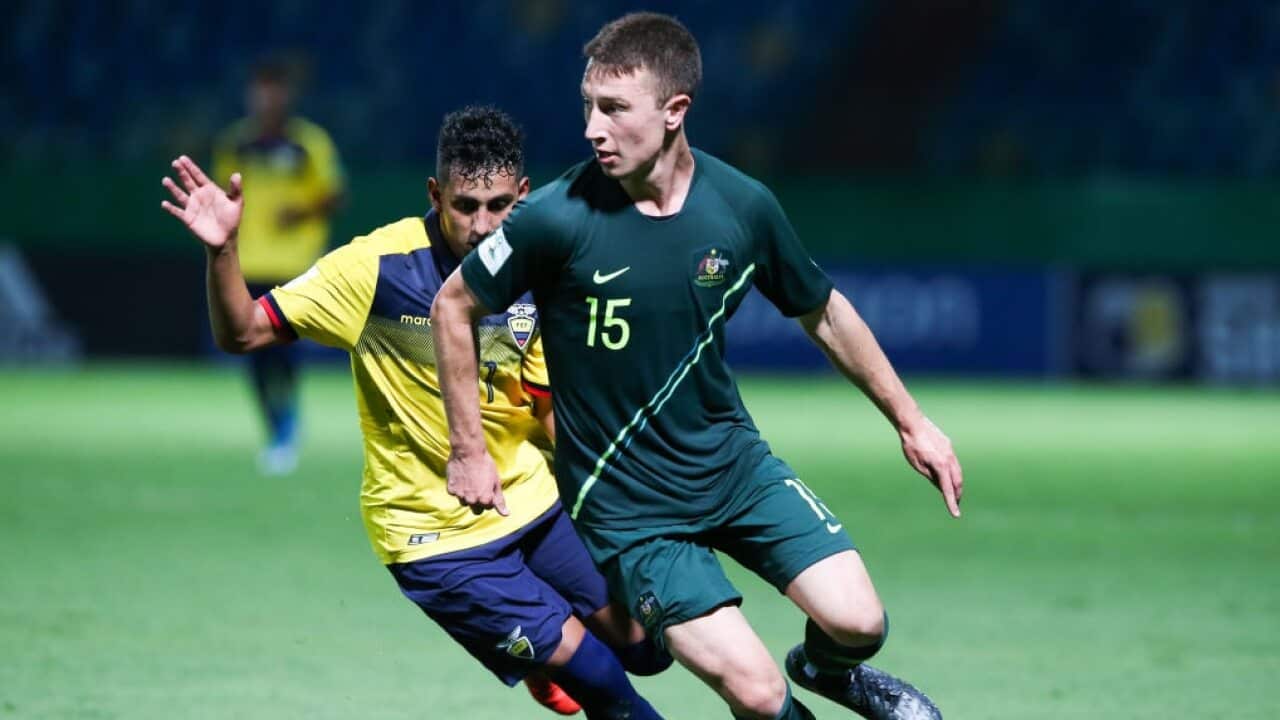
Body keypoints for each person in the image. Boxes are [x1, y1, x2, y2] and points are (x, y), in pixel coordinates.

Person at [432, 14, 963, 720]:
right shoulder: (557, 216)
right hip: (629, 507)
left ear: (675, 110)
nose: (594, 128)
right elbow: (452, 305)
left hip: (732, 466)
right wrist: (468, 450)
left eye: (615, 109)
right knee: (757, 692)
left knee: (860, 624)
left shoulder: (742, 207)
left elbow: (824, 312)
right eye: (588, 105)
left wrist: (912, 421)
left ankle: (827, 671)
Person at [163, 106, 667, 718]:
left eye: (499, 206)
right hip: (435, 536)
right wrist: (223, 252)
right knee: (605, 683)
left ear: (524, 196)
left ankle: (537, 651)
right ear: (435, 194)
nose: (482, 226)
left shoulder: (534, 262)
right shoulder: (375, 271)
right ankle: (545, 648)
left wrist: (619, 490)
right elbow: (243, 334)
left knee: (650, 647)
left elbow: (538, 401)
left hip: (533, 502)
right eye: (464, 207)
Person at [211, 57, 346, 474]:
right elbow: (219, 199)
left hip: (294, 265)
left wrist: (301, 213)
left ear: (287, 95)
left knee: (284, 351)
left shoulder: (310, 143)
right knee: (249, 353)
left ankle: (286, 428)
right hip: (248, 264)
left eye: (275, 88)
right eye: (260, 88)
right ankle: (274, 428)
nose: (267, 97)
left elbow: (335, 194)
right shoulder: (235, 144)